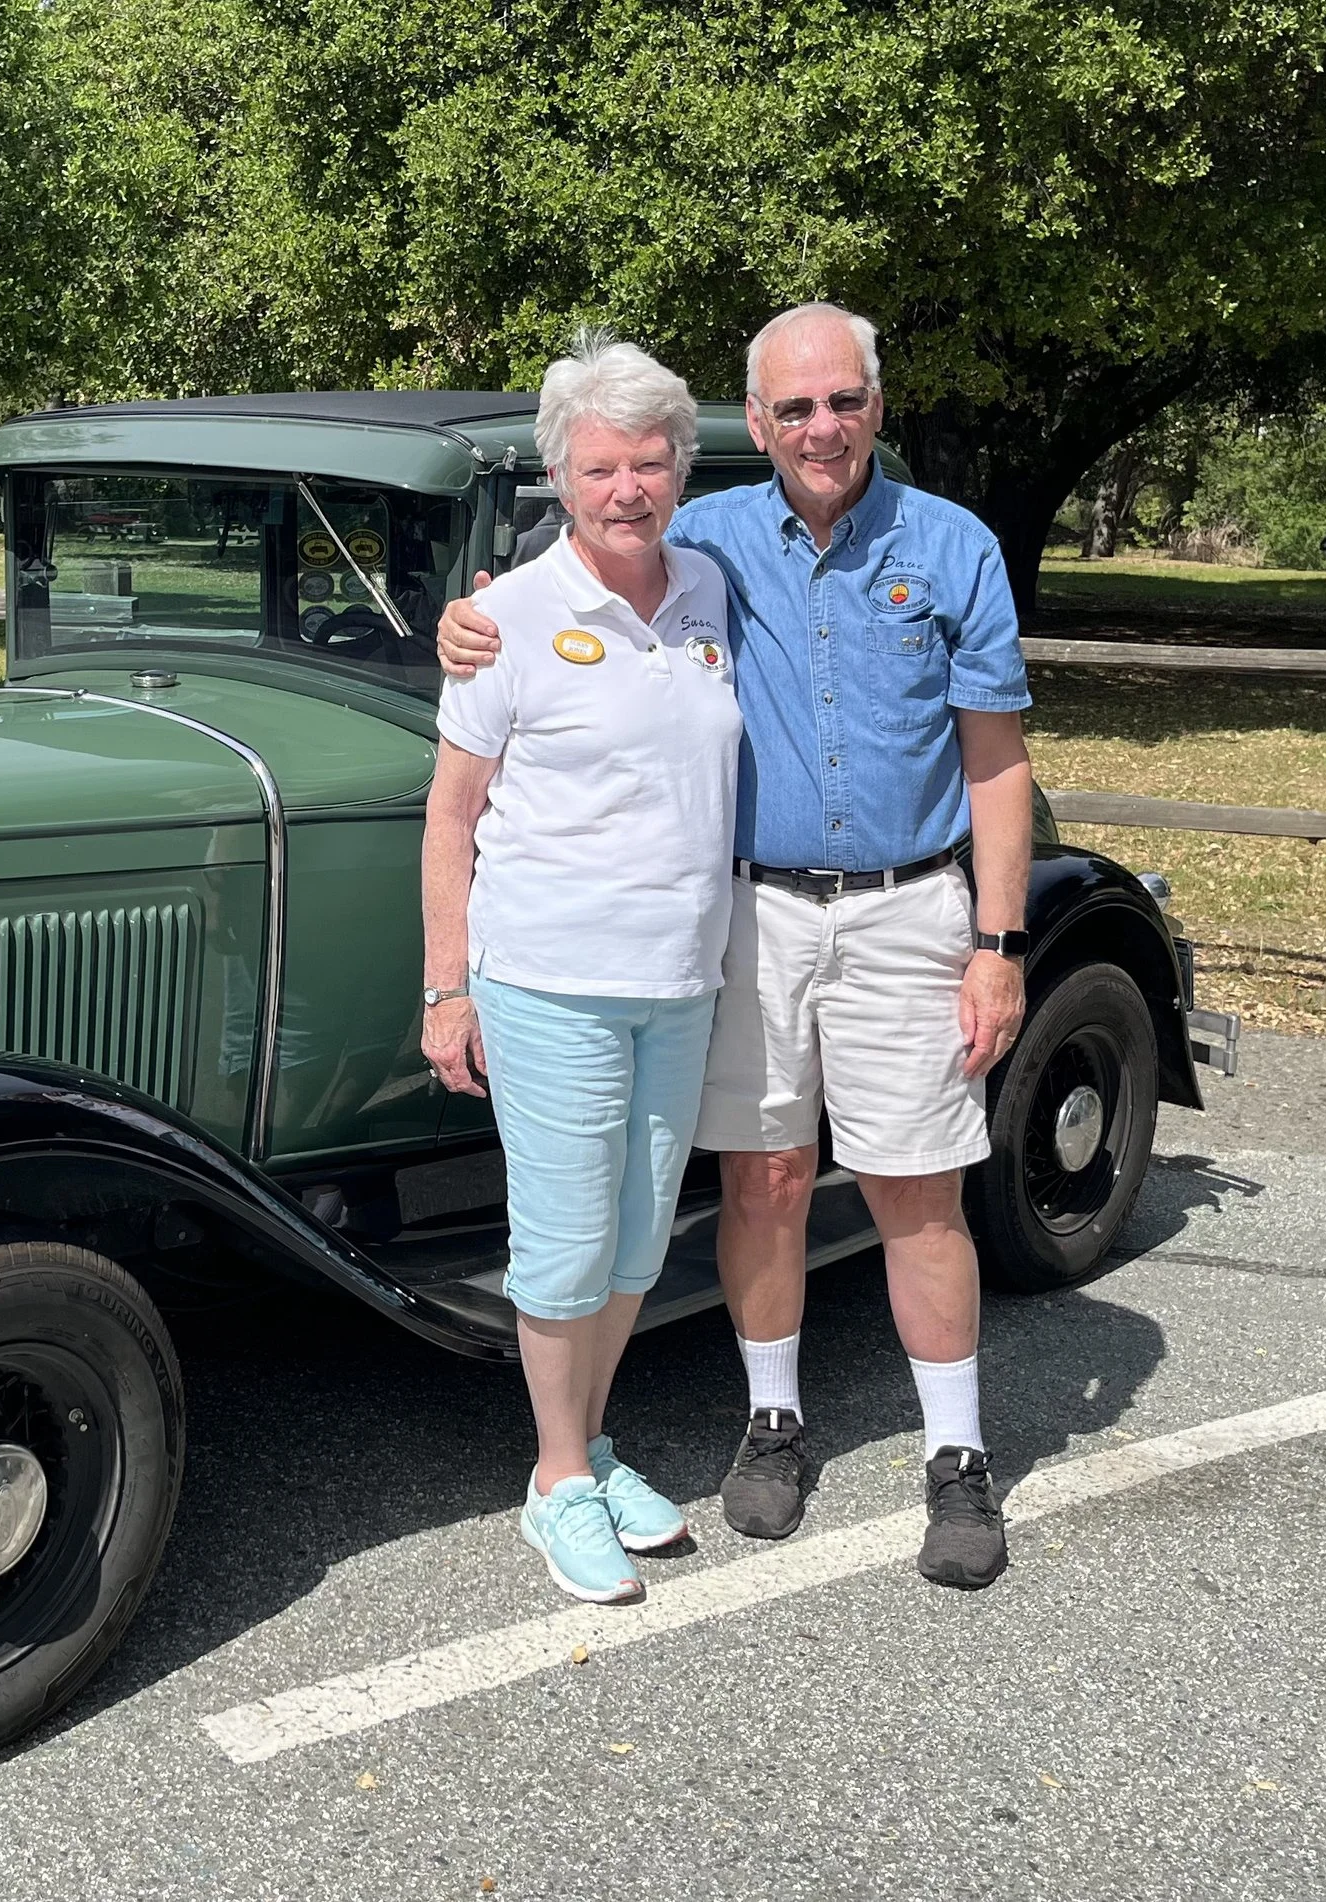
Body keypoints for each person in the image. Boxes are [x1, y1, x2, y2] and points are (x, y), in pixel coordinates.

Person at [437, 303, 1035, 1590]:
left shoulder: (951, 546)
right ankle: (770, 1421)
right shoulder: (706, 539)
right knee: (761, 1178)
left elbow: (996, 761)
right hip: (749, 913)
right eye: (791, 408)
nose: (821, 427)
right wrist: (466, 618)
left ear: (877, 405)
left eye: (843, 400)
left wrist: (999, 941)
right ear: (754, 424)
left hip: (906, 908)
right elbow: (578, 557)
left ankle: (957, 1454)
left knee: (916, 1191)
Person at [421, 335, 740, 1604]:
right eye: (600, 467)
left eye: (649, 464)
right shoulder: (505, 620)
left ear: (680, 469)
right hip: (547, 977)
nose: (626, 490)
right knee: (558, 1247)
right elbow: (450, 817)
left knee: (632, 1246)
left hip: (680, 977)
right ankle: (555, 1482)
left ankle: (592, 1449)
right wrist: (447, 987)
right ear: (561, 474)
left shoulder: (714, 591)